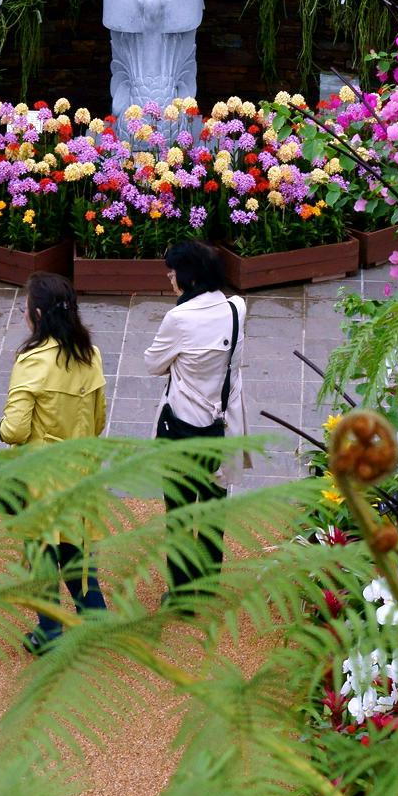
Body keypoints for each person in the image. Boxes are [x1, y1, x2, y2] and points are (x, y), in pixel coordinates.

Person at [0, 272, 109, 654]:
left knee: (41, 555)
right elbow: (99, 418)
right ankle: (95, 619)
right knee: (77, 550)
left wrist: (1, 425)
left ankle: (49, 632)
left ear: (39, 313)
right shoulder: (89, 354)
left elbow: (14, 430)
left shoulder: (31, 361)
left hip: (42, 476)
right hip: (80, 469)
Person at [143, 239, 249, 592]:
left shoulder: (179, 319)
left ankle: (181, 593)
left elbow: (153, 364)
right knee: (214, 510)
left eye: (172, 273)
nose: (169, 279)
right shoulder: (237, 309)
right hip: (223, 426)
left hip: (182, 428)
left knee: (180, 514)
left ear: (186, 279)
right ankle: (207, 585)